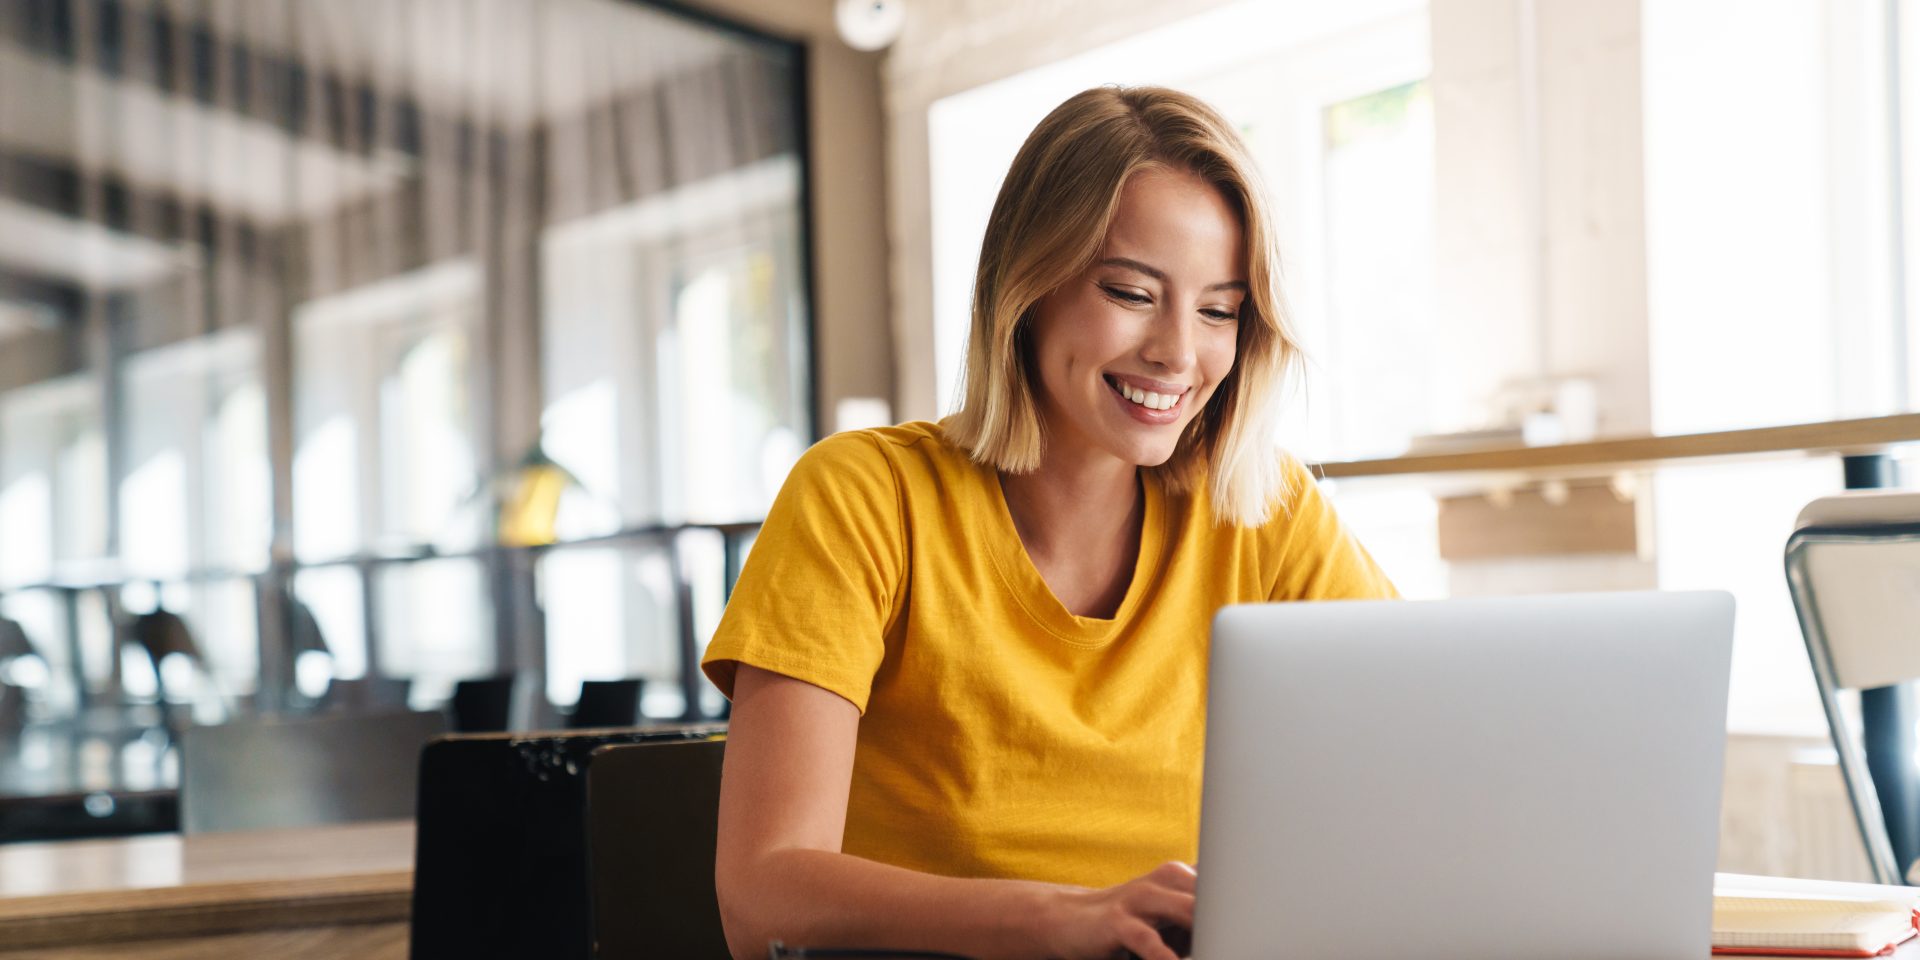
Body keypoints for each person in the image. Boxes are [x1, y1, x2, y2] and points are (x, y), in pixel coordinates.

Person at [702, 85, 1397, 960]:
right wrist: (1062, 920)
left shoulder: (1264, 512)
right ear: (1026, 286)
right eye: (1131, 292)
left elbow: (1427, 748)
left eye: (1219, 310)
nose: (1179, 353)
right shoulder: (863, 496)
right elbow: (763, 892)